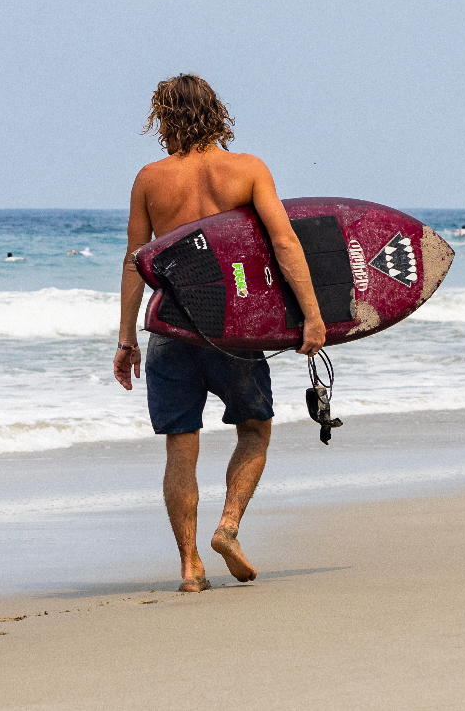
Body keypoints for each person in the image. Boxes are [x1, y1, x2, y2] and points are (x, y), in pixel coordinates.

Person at [113, 75, 326, 593]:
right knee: (254, 428)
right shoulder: (248, 170)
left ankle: (190, 566)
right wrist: (312, 316)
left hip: (171, 327)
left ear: (164, 118)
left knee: (181, 446)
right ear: (216, 113)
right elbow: (284, 243)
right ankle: (227, 526)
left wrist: (126, 340)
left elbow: (135, 261)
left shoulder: (150, 179)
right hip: (234, 330)